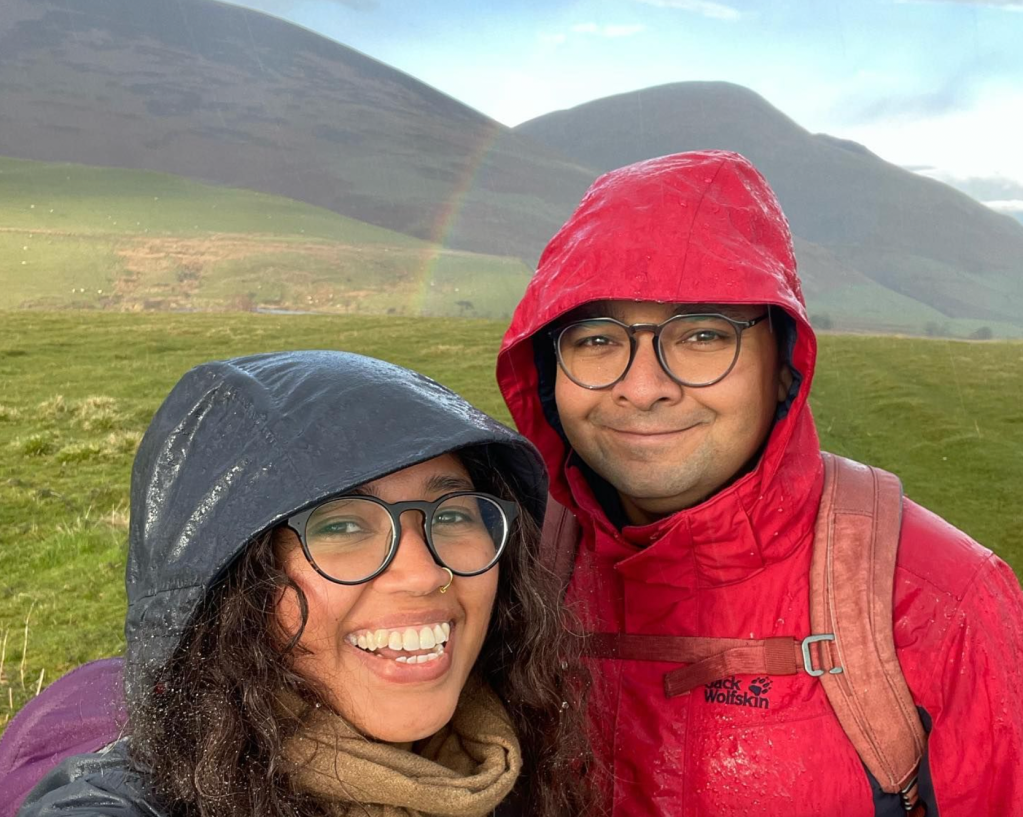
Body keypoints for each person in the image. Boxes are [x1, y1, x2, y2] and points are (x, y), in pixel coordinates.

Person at [496, 150, 1023, 815]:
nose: (642, 386)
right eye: (596, 339)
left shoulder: (938, 599)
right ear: (548, 369)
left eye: (702, 336)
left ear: (783, 364)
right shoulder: (513, 572)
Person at [18, 350, 590, 817]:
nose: (423, 574)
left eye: (452, 514)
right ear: (229, 586)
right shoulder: (132, 802)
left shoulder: (521, 762)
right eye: (341, 525)